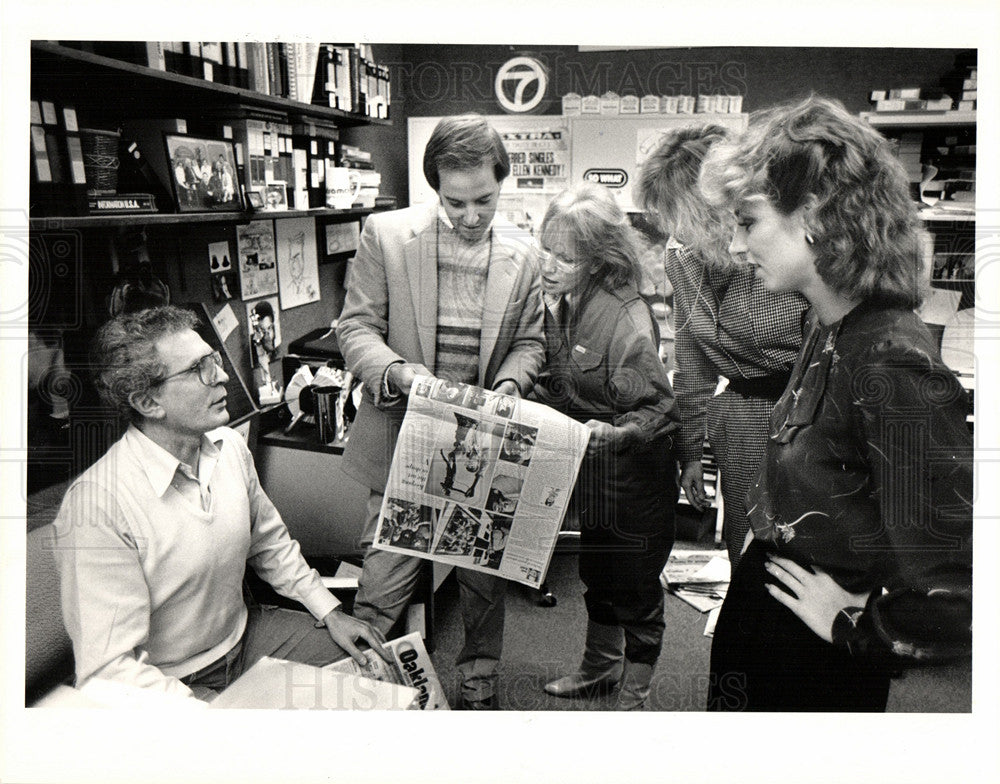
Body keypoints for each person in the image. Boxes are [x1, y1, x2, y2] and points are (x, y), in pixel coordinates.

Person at [699, 96, 972, 711]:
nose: (737, 245)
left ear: (817, 213)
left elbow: (957, 590)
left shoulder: (887, 357)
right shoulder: (831, 327)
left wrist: (862, 625)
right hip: (772, 620)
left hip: (812, 662)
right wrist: (763, 536)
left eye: (749, 222)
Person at [52, 306, 387, 703]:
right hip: (171, 681)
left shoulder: (229, 448)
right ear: (147, 402)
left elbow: (271, 544)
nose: (223, 374)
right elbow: (108, 671)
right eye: (199, 369)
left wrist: (330, 611)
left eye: (213, 359)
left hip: (248, 638)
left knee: (373, 671)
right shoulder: (97, 506)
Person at [336, 114, 545, 710]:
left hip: (483, 442)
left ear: (501, 183)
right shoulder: (387, 234)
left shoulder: (523, 257)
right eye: (456, 203)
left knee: (483, 581)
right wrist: (397, 373)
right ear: (434, 186)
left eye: (485, 200)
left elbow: (531, 342)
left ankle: (479, 686)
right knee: (384, 578)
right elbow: (355, 326)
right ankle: (368, 687)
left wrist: (510, 381)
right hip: (404, 432)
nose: (472, 216)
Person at [531, 183, 680, 710]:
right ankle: (599, 670)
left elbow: (660, 410)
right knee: (597, 575)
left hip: (637, 474)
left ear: (597, 260)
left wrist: (613, 433)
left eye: (564, 257)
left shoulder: (624, 316)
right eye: (544, 249)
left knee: (634, 586)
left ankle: (634, 696)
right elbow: (565, 383)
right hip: (593, 468)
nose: (548, 265)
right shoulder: (563, 304)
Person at [636, 125, 808, 567]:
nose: (673, 231)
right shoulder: (684, 255)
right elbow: (692, 359)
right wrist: (690, 451)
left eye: (678, 215)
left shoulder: (778, 253)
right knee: (744, 553)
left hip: (801, 424)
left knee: (794, 554)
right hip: (738, 424)